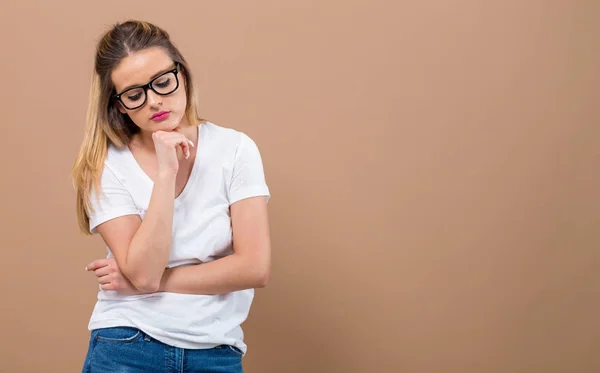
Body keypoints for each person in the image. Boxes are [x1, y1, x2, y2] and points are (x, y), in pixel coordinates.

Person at [71, 19, 271, 373]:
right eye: (135, 95)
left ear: (183, 74)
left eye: (163, 82)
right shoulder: (104, 166)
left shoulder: (235, 149)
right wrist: (166, 173)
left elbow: (254, 267)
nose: (155, 101)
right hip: (127, 344)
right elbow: (145, 274)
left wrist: (142, 284)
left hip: (216, 349)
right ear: (119, 105)